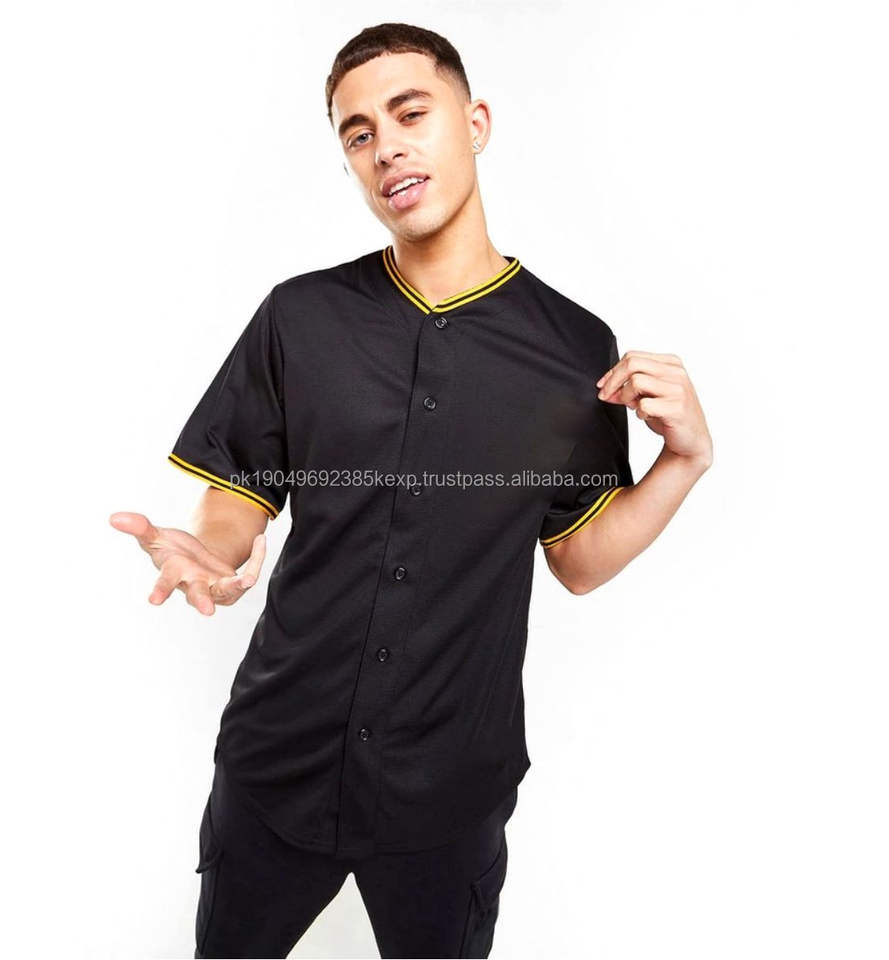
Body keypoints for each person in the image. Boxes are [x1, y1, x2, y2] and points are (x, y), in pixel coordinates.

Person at [110, 21, 712, 959]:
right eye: (358, 133)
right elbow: (237, 496)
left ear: (475, 123)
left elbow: (579, 560)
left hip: (450, 789)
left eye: (409, 113)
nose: (385, 145)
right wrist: (211, 549)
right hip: (277, 765)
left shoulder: (572, 349)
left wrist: (683, 462)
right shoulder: (299, 316)